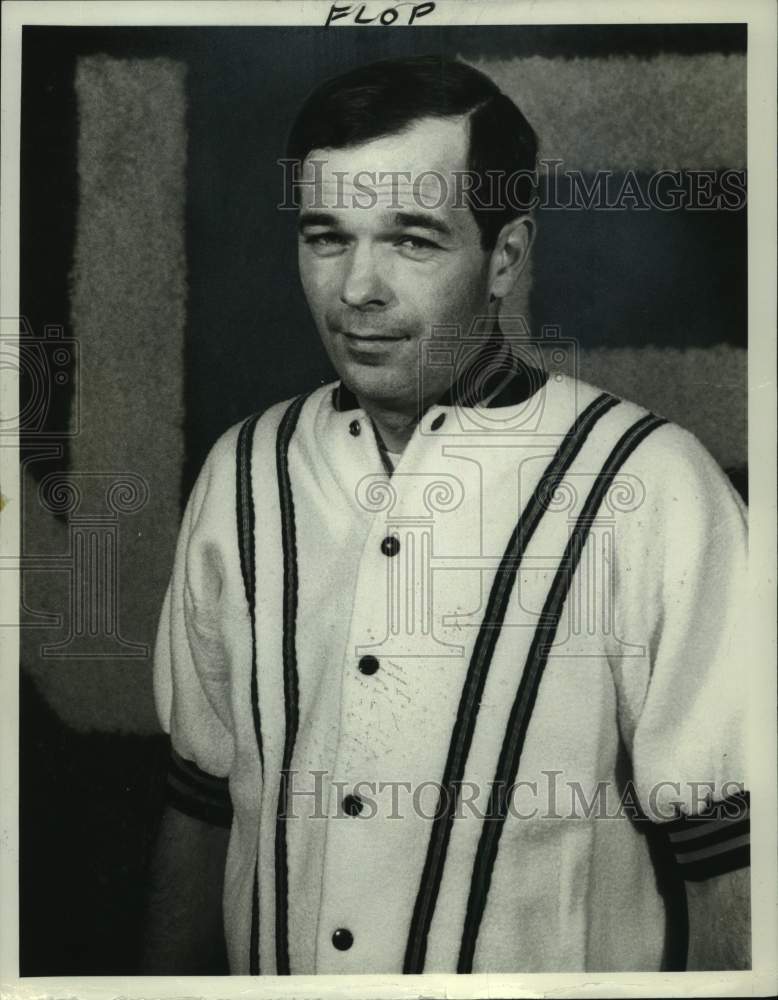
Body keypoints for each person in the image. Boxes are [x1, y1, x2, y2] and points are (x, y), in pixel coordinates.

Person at [143, 55, 750, 975]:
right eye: (326, 237)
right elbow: (201, 810)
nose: (357, 289)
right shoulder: (243, 472)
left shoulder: (654, 484)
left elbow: (734, 872)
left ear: (505, 255)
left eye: (413, 240)